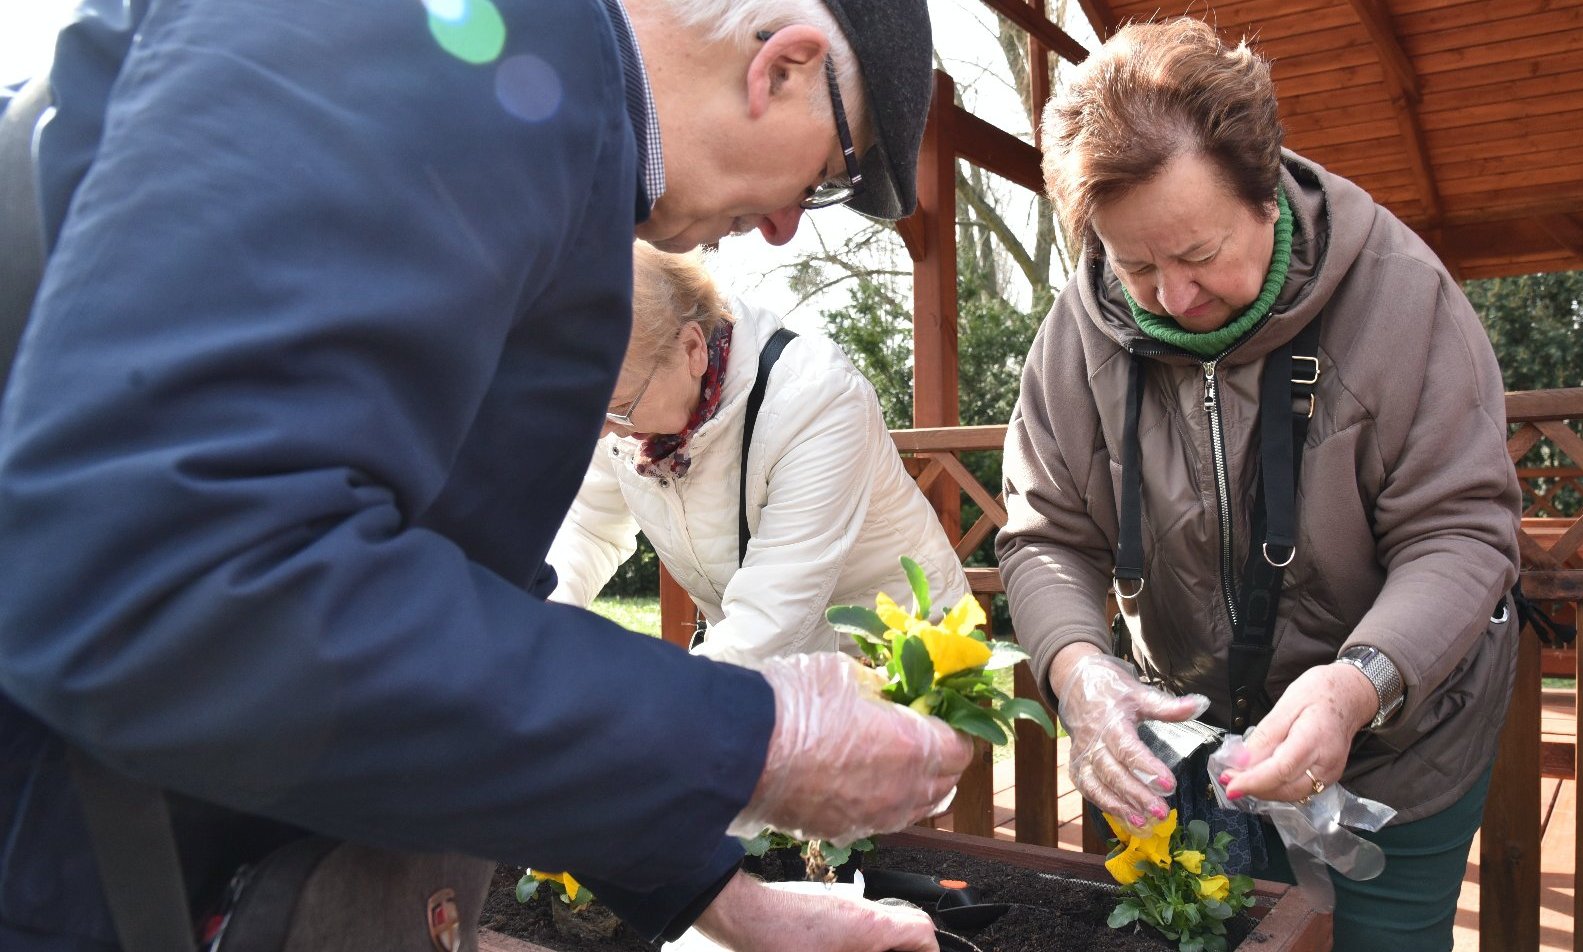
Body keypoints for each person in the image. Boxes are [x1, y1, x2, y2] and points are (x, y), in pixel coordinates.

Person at [0, 1, 972, 950]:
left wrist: (722, 898)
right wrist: (750, 738)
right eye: (836, 174)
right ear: (784, 66)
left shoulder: (550, 134)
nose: (787, 228)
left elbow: (463, 584)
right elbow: (175, 571)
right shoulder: (433, 39)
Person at [996, 18, 1520, 950]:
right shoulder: (1071, 338)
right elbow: (1045, 537)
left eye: (1199, 255)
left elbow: (1462, 532)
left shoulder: (1406, 297)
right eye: (1135, 265)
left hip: (1395, 748)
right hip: (1187, 753)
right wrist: (1078, 673)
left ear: (1267, 187)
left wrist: (1354, 687)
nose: (1173, 300)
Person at [549, 242, 969, 667]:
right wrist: (536, 632)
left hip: (903, 659)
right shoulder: (628, 415)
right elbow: (588, 530)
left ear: (692, 349)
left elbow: (771, 617)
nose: (600, 428)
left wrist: (656, 704)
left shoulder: (817, 398)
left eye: (618, 405)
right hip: (767, 663)